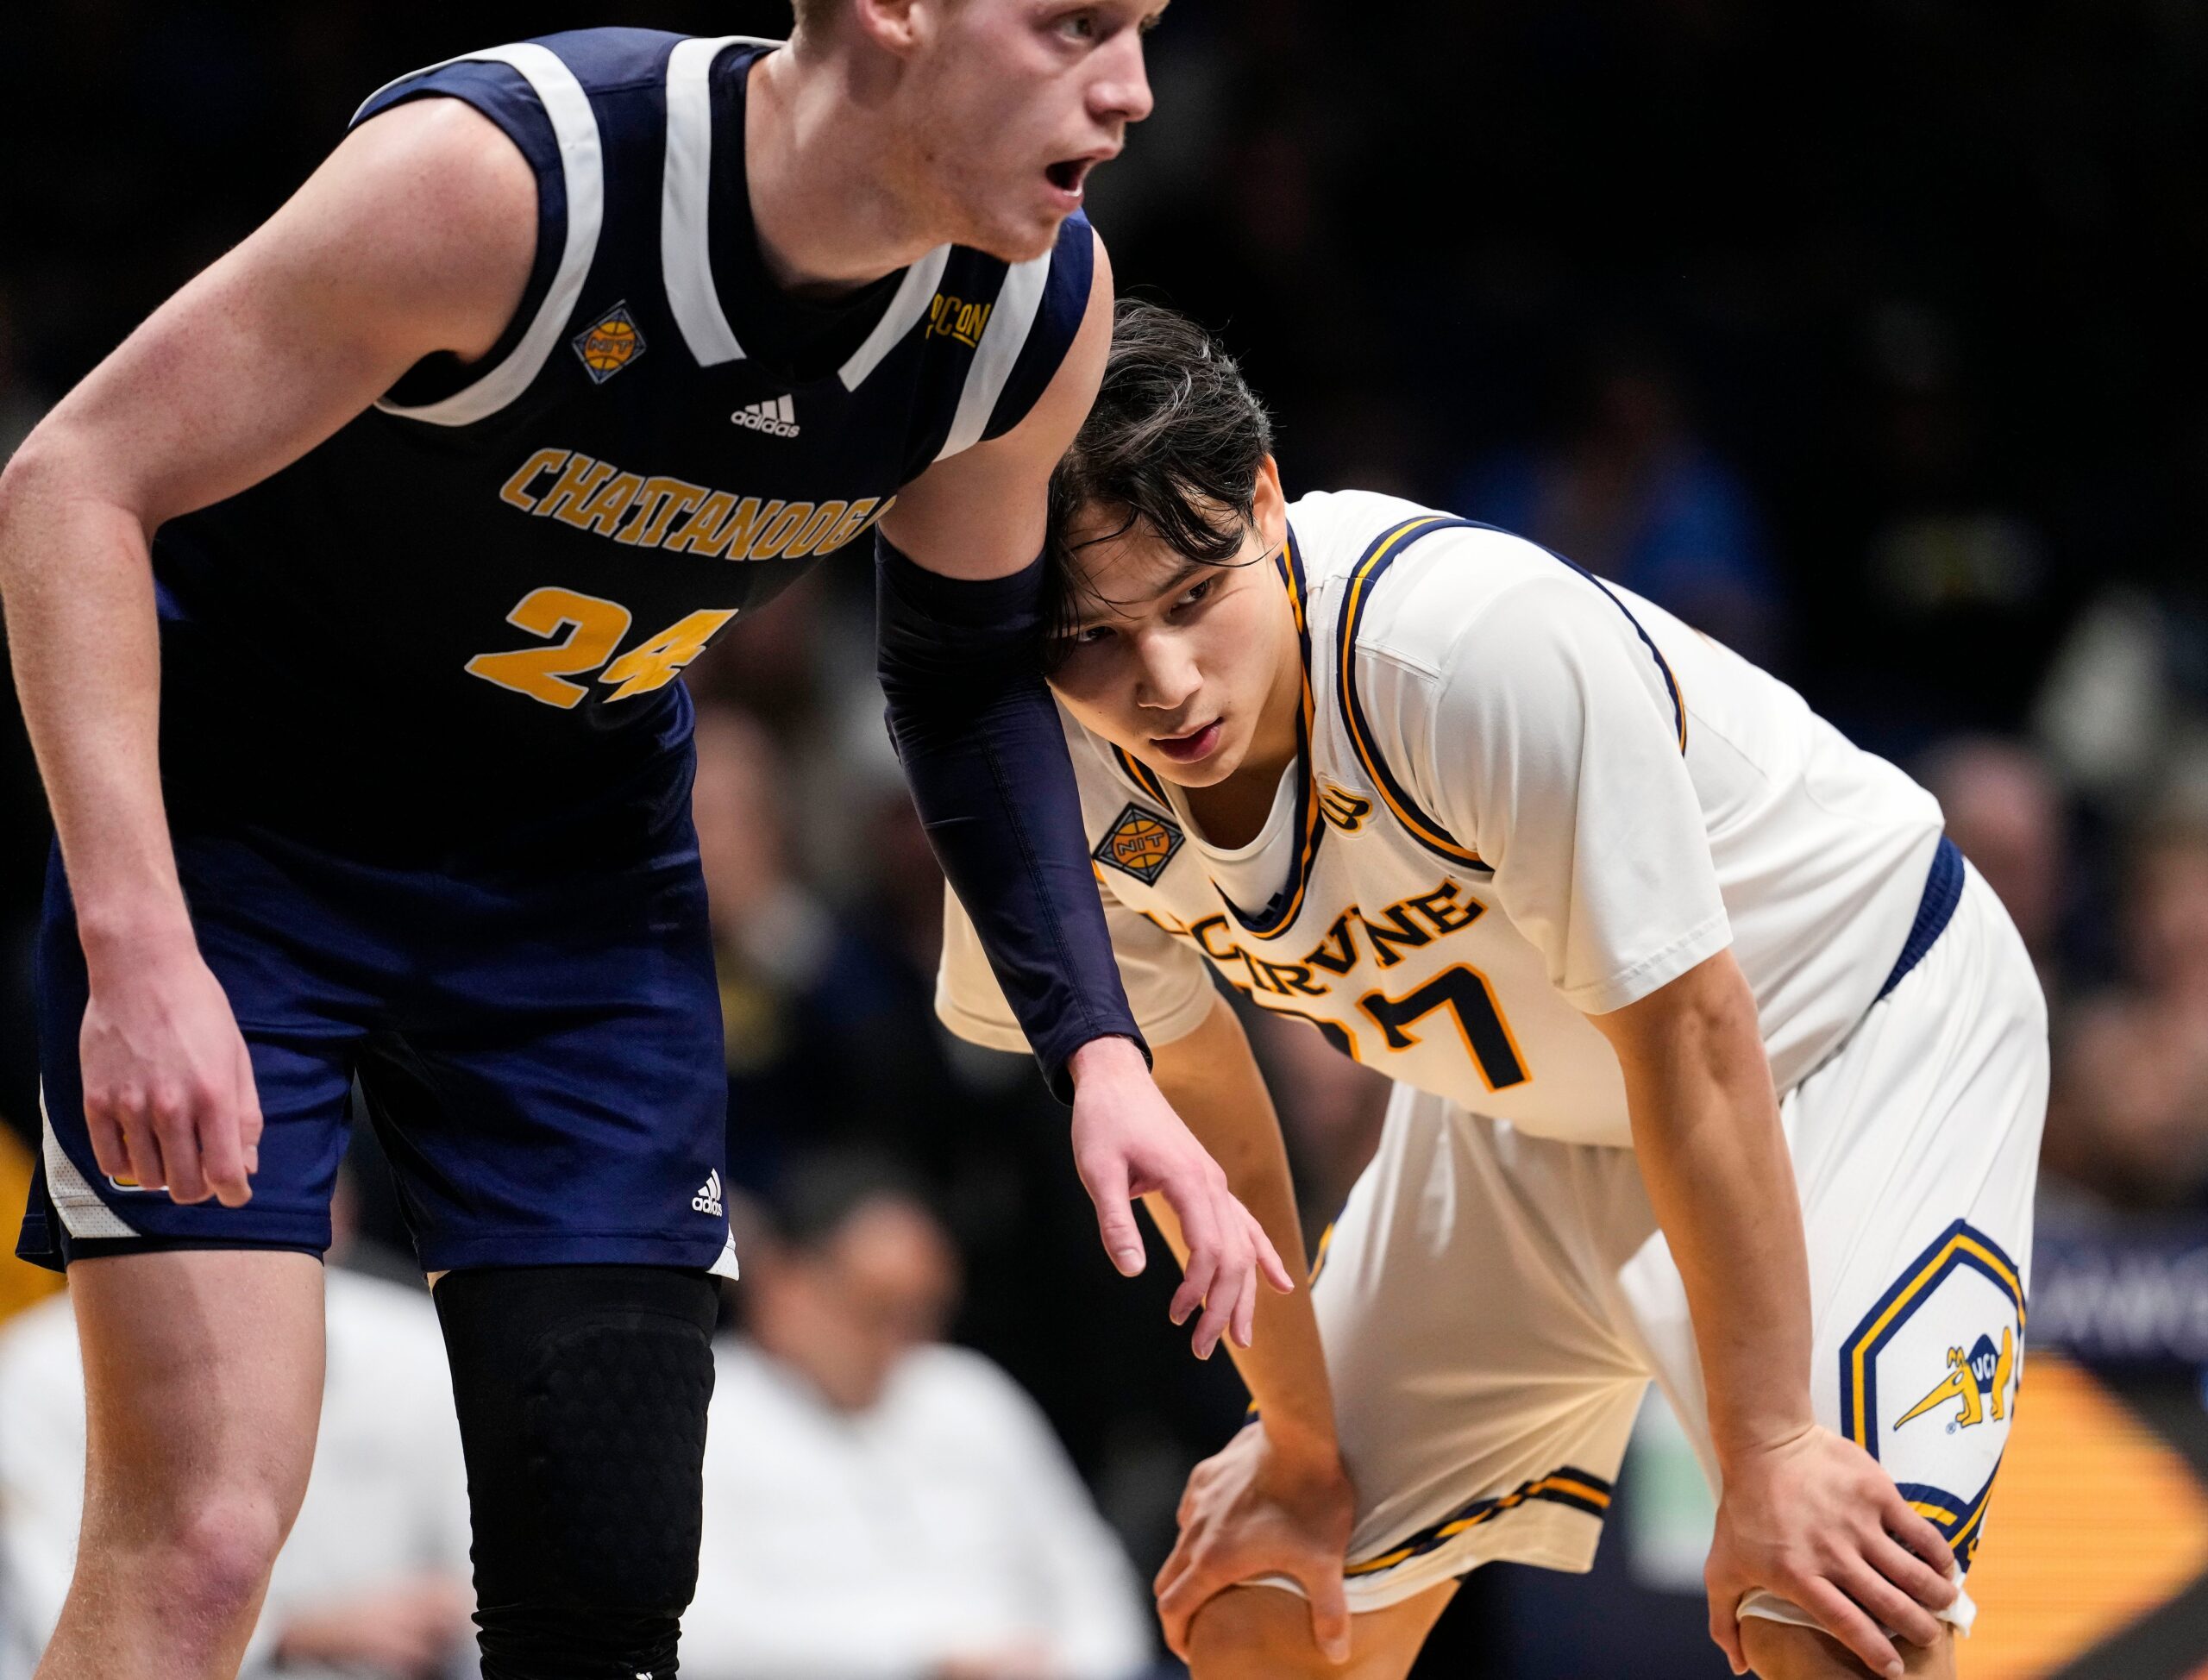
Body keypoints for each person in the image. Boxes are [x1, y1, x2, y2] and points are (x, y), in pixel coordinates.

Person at [0, 9, 1290, 1677]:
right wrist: (138, 940)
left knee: (606, 1582)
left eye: (1140, 30)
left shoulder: (1031, 309)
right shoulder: (508, 183)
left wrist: (1095, 1046)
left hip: (574, 868)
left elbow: (966, 676)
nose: (1130, 88)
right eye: (1073, 26)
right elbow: (73, 483)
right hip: (250, 834)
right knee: (204, 1543)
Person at [937, 302, 2049, 1680]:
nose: (1164, 683)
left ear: (1267, 501)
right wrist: (1295, 1447)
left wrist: (1767, 1452)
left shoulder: (1463, 646)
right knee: (1268, 1612)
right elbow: (1200, 1105)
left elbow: (1696, 1037)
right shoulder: (1028, 768)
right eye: (1093, 640)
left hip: (1836, 1038)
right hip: (1521, 1111)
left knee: (1833, 1613)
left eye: (1190, 598)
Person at [686, 1157, 1152, 1680]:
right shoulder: (705, 1412)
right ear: (787, 1288)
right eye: (876, 1310)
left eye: (926, 1312)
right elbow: (695, 1629)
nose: (902, 1340)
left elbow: (1089, 1574)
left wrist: (1079, 1667)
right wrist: (919, 1664)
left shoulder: (968, 1393)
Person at [0, 1179, 474, 1680]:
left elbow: (481, 1591)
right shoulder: (32, 1372)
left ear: (339, 1216)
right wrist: (291, 1635)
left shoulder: (423, 1350)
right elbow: (42, 1611)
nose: (246, 1234)